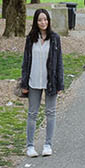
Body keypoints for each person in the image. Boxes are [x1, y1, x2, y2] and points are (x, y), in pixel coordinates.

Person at [17, 8, 64, 157]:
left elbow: (59, 62)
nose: (43, 22)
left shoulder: (55, 38)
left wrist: (60, 84)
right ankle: (30, 146)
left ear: (48, 21)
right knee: (32, 113)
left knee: (50, 113)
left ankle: (48, 144)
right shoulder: (30, 39)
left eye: (45, 19)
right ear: (35, 22)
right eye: (40, 20)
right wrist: (24, 83)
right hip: (33, 81)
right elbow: (26, 62)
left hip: (50, 81)